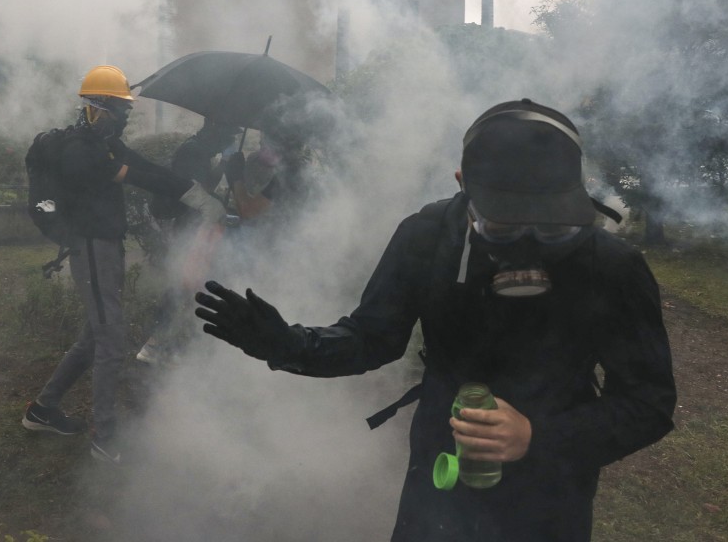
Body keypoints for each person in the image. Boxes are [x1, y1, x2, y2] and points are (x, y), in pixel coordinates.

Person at [194, 99, 676, 541]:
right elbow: (372, 338)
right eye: (503, 227)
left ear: (578, 195)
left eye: (552, 229)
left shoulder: (612, 265)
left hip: (551, 490)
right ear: (461, 184)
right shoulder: (427, 238)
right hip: (437, 479)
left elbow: (648, 401)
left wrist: (540, 436)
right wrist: (288, 345)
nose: (527, 246)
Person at [21, 65, 227, 465]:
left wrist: (192, 191)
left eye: (125, 109)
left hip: (105, 249)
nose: (125, 115)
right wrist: (191, 196)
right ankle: (105, 437)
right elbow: (139, 177)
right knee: (112, 342)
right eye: (119, 108)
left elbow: (150, 170)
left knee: (94, 338)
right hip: (92, 249)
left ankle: (42, 411)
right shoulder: (81, 151)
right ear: (96, 107)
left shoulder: (105, 145)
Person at [137, 117, 240, 365]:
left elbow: (204, 186)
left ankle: (176, 344)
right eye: (228, 136)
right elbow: (194, 192)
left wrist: (225, 164)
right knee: (183, 283)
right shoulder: (192, 152)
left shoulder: (200, 152)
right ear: (214, 130)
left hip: (196, 226)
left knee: (193, 284)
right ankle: (154, 344)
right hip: (188, 227)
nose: (229, 141)